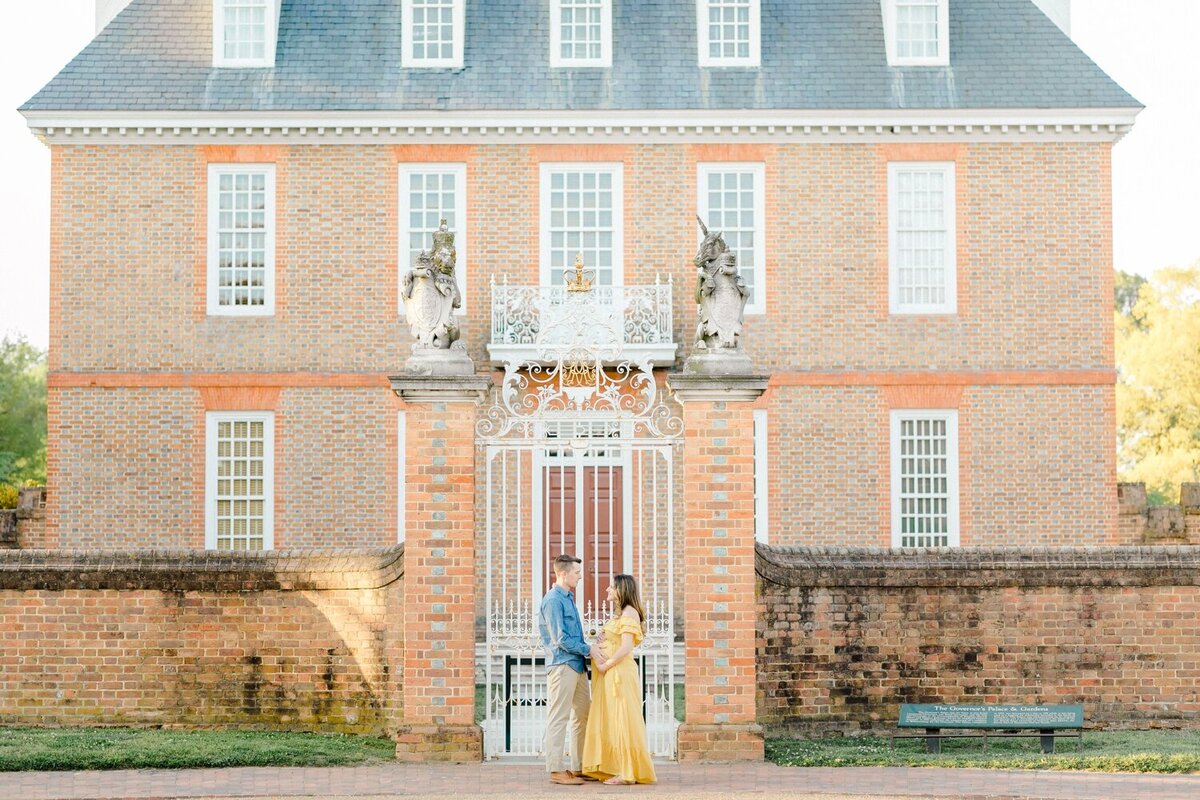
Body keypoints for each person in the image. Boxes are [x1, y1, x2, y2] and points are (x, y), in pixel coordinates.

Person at [581, 574, 657, 786]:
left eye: (611, 587)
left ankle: (626, 772)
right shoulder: (621, 613)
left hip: (619, 673)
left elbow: (626, 647)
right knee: (612, 720)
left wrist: (606, 664)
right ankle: (612, 766)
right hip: (610, 674)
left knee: (622, 719)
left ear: (621, 591)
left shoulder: (630, 613)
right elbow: (616, 639)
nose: (607, 590)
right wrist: (602, 639)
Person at [538, 554, 598, 786]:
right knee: (559, 716)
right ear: (563, 573)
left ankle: (579, 766)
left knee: (583, 714)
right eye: (577, 572)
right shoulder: (553, 600)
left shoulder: (568, 598)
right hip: (562, 665)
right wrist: (588, 649)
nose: (580, 576)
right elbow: (560, 638)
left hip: (576, 665)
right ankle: (555, 769)